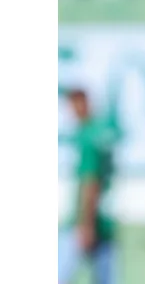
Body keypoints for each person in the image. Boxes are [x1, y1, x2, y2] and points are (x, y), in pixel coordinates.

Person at [58, 89, 118, 284]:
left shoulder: (88, 137)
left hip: (86, 222)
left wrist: (86, 224)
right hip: (103, 222)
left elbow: (90, 182)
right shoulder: (101, 132)